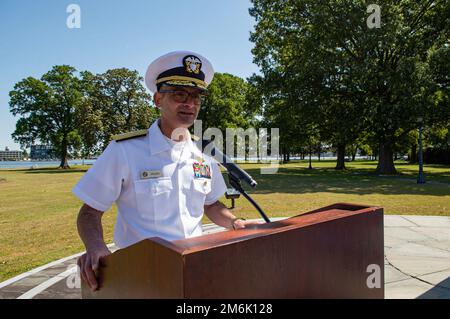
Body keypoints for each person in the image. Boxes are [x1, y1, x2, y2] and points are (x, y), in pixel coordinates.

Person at [73, 51, 262, 291]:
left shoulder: (204, 152)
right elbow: (89, 212)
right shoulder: (125, 151)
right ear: (157, 100)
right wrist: (96, 247)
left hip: (196, 266)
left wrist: (235, 223)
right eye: (179, 95)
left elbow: (212, 205)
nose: (189, 104)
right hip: (142, 273)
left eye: (196, 97)